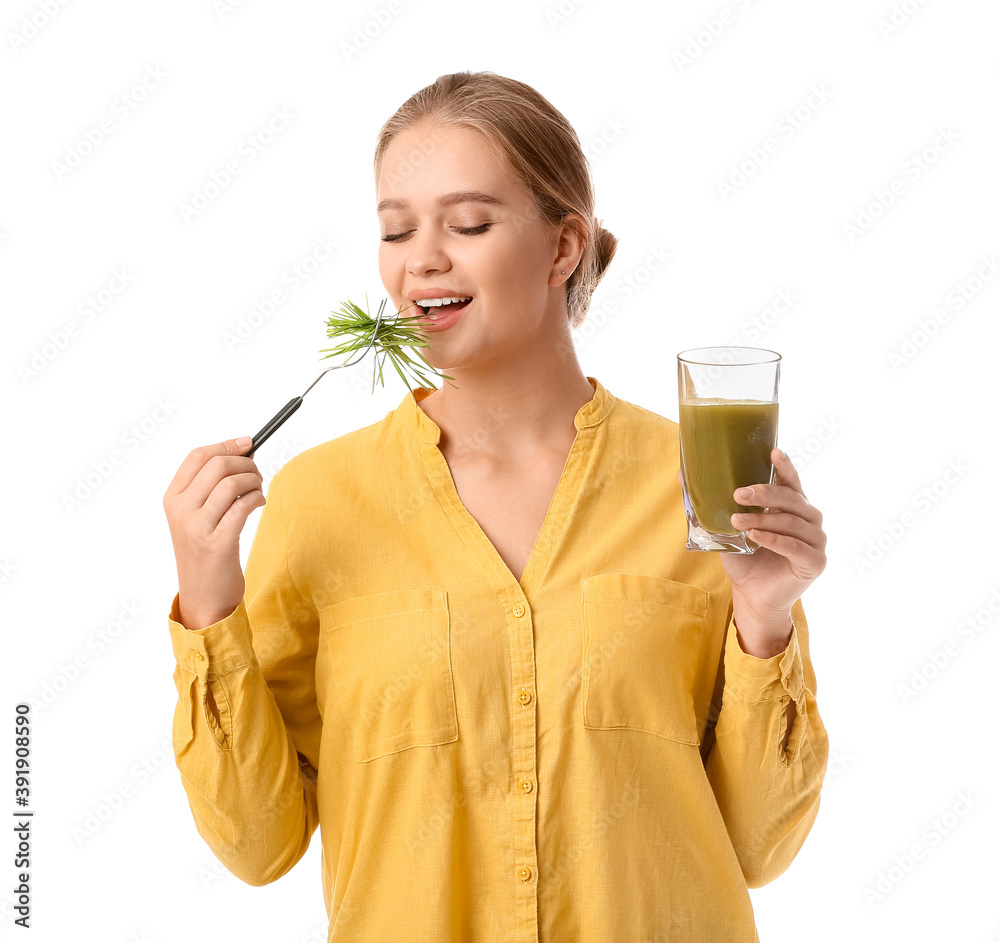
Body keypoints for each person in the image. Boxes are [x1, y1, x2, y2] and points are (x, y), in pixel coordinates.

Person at [163, 71, 829, 942]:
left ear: (563, 249)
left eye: (468, 224)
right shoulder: (320, 498)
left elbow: (758, 847)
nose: (421, 257)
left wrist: (765, 615)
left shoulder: (697, 481)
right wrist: (209, 600)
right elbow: (259, 844)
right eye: (396, 229)